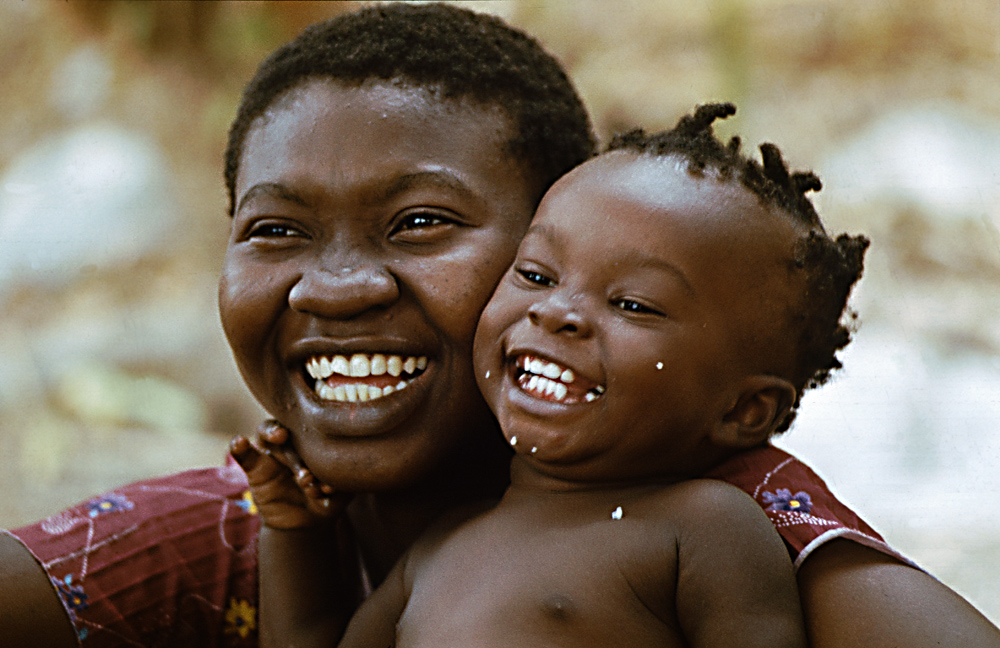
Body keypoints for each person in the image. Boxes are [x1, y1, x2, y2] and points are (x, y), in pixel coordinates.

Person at [1, 4, 998, 648]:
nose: (337, 287)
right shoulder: (360, 532)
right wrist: (290, 533)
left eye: (422, 223)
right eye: (274, 229)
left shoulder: (715, 513)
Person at [239, 102, 833, 648]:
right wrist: (294, 536)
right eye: (537, 275)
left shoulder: (705, 527)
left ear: (743, 411)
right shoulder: (445, 543)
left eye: (632, 304)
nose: (554, 312)